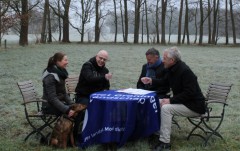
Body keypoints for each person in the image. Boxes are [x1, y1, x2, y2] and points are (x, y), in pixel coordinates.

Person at [143, 47, 206, 151]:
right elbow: (164, 81)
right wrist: (151, 80)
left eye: (164, 58)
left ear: (172, 60)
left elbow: (190, 93)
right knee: (155, 102)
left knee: (166, 108)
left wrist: (170, 100)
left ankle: (164, 143)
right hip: (184, 103)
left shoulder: (185, 71)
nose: (162, 60)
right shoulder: (171, 69)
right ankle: (156, 134)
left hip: (195, 106)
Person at [74, 49, 112, 141]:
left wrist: (105, 90)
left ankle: (102, 133)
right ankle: (78, 135)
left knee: (109, 106)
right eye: (100, 58)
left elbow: (107, 86)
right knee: (89, 108)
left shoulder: (105, 70)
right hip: (83, 96)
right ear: (96, 56)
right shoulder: (87, 66)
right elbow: (89, 78)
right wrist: (104, 77)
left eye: (104, 59)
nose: (102, 60)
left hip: (97, 98)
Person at [42, 52, 75, 117]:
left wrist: (72, 104)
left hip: (59, 104)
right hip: (49, 107)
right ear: (58, 61)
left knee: (77, 109)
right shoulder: (50, 76)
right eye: (65, 60)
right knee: (75, 113)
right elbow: (52, 98)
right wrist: (67, 110)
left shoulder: (60, 73)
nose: (67, 62)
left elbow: (64, 93)